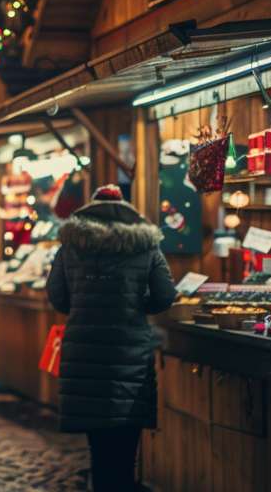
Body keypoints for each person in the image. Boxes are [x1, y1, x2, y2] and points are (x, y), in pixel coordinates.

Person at [45, 184, 175, 492]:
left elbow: (57, 296)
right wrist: (137, 308)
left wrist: (82, 307)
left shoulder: (71, 245)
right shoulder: (146, 244)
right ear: (126, 210)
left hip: (84, 352)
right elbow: (165, 294)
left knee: (98, 447)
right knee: (125, 449)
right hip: (129, 354)